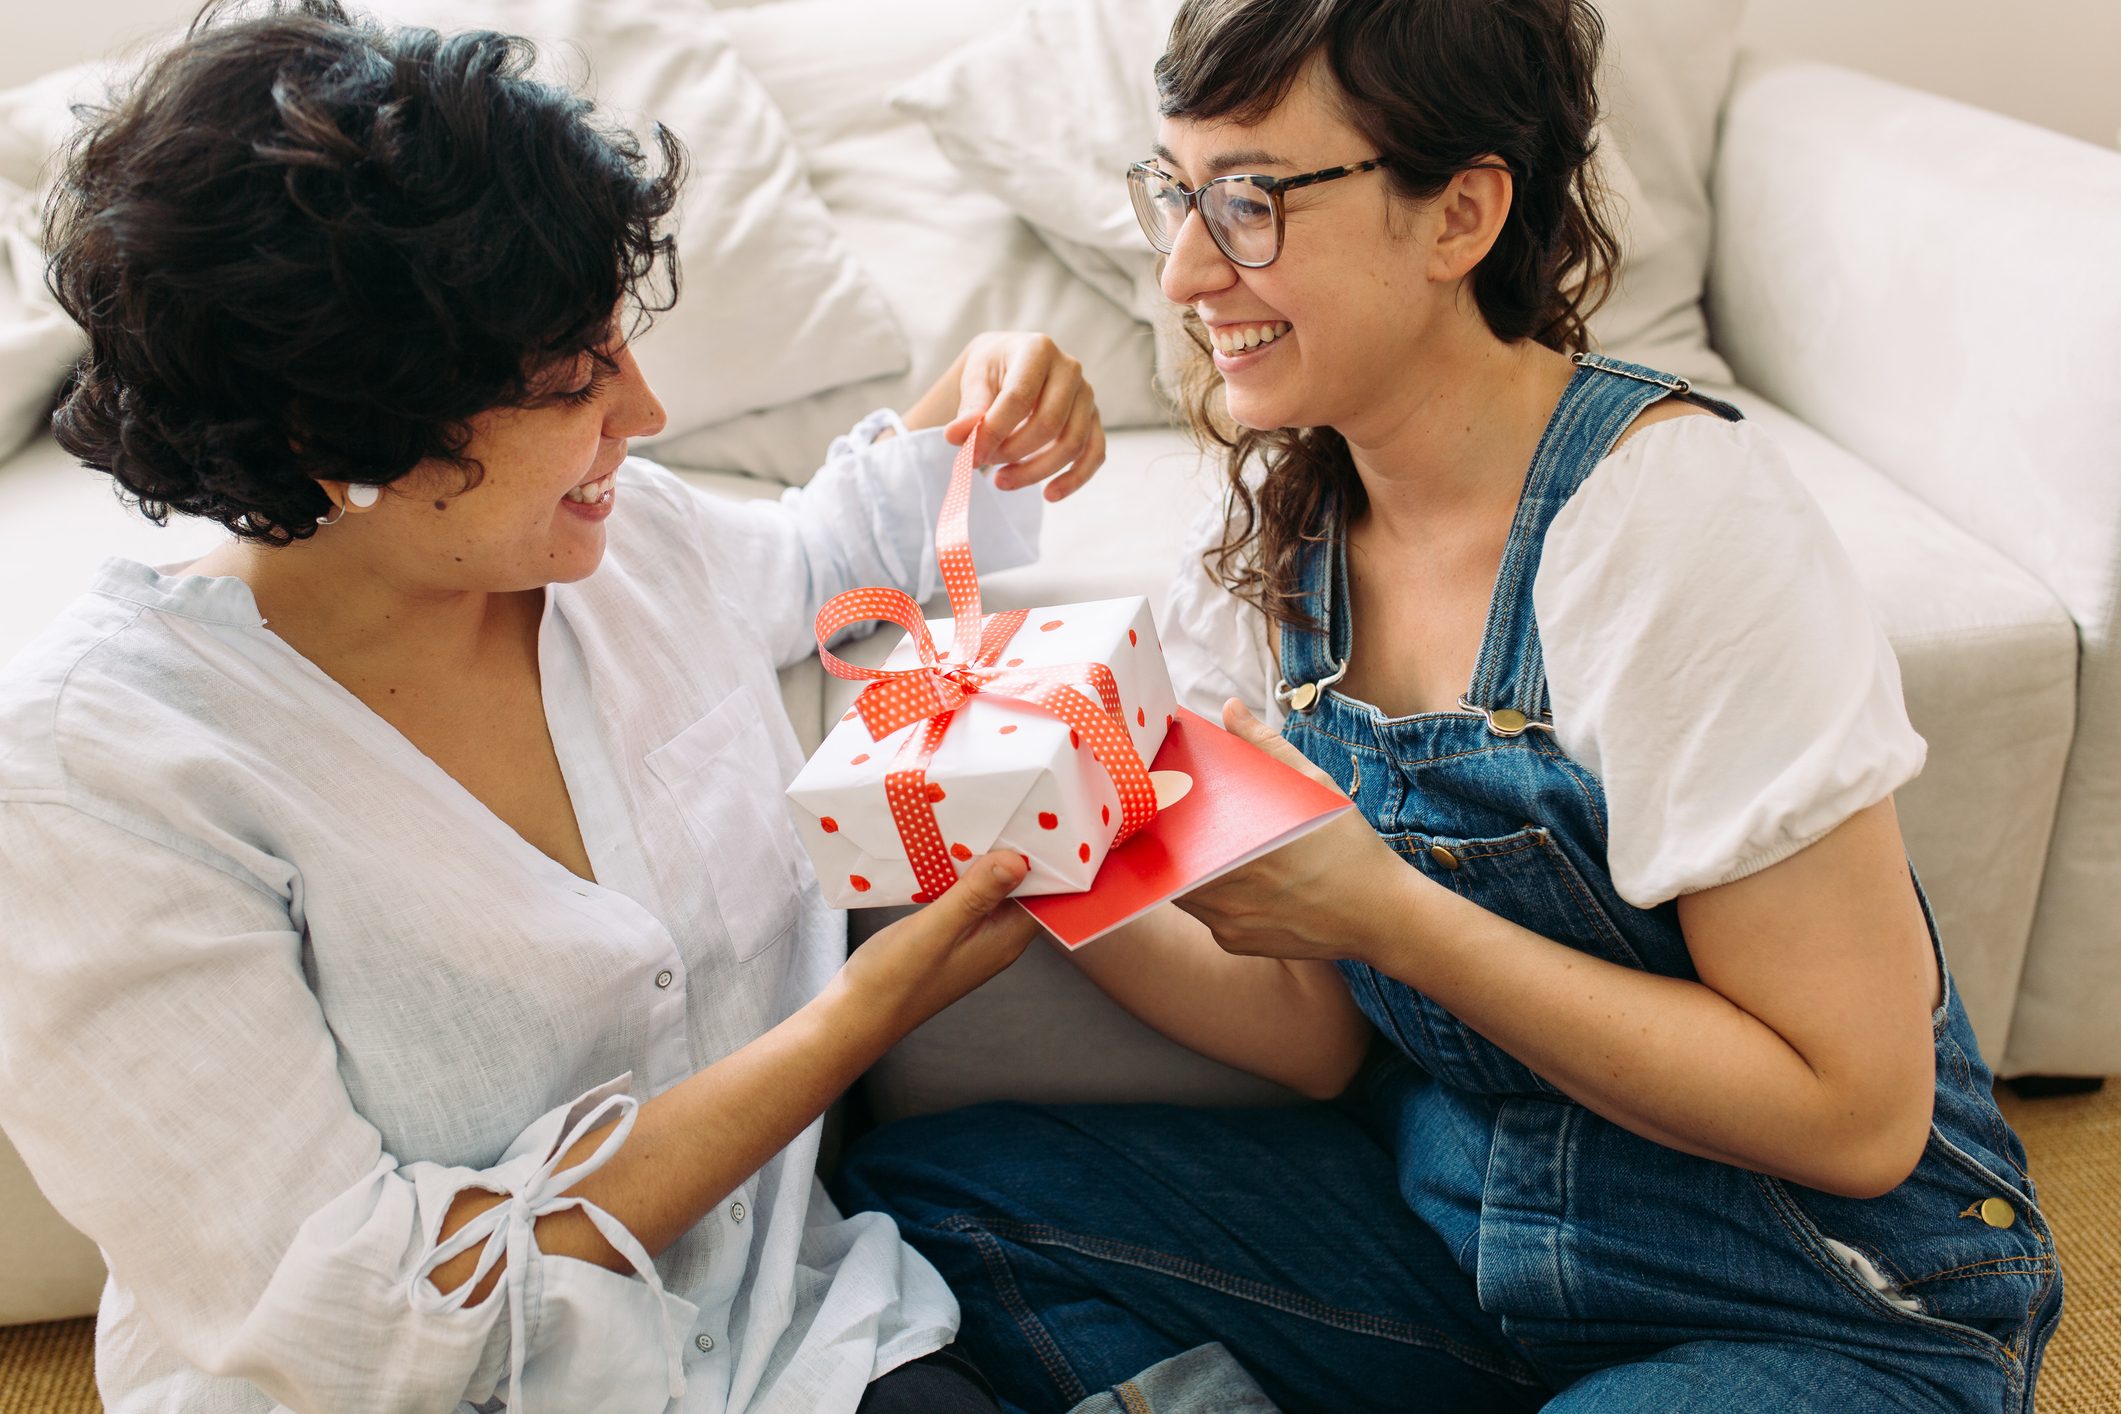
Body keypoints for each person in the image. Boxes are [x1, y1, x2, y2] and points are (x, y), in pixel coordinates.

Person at [834, 1, 2063, 1410]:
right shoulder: (1272, 541)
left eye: (1246, 201)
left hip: (1815, 1300)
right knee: (931, 1196)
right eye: (1175, 194)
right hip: (1463, 1248)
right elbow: (1304, 1033)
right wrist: (1042, 836)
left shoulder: (1669, 523)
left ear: (1459, 214)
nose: (1179, 271)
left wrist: (1389, 913)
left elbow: (1853, 1115)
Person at [0, 3, 1107, 1409]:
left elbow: (826, 556)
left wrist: (992, 396)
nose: (643, 410)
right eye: (574, 371)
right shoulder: (94, 777)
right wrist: (858, 1013)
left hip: (797, 1335)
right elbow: (369, 1320)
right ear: (336, 425)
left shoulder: (609, 541)